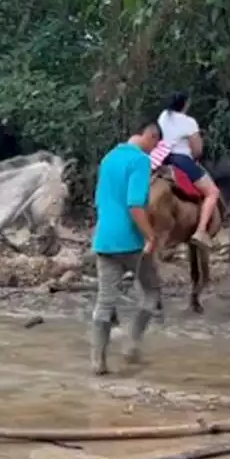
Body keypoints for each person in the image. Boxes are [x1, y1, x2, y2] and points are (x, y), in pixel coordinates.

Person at [90, 120, 163, 375]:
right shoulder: (140, 161)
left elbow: (99, 200)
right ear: (150, 137)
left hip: (104, 239)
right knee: (152, 291)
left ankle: (98, 361)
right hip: (130, 241)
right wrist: (150, 236)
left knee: (105, 300)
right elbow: (135, 204)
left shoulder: (109, 157)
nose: (153, 151)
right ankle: (131, 343)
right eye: (155, 145)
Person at [156, 91, 220, 248]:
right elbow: (197, 149)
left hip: (162, 158)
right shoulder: (189, 122)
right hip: (181, 159)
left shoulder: (163, 116)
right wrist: (196, 156)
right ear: (186, 104)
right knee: (212, 192)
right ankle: (201, 230)